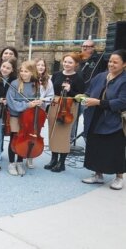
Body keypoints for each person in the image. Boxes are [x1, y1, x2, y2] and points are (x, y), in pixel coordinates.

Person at [81, 49, 126, 190]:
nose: (111, 64)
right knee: (96, 147)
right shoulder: (101, 76)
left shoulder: (124, 81)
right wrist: (84, 97)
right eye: (110, 61)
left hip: (114, 120)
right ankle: (98, 175)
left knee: (115, 149)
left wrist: (98, 102)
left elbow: (122, 102)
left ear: (124, 64)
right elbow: (89, 91)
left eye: (115, 62)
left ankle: (119, 177)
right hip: (95, 117)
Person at [45, 53, 85, 172]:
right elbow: (51, 91)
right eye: (65, 61)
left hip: (69, 106)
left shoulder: (78, 78)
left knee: (63, 134)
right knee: (52, 132)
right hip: (55, 104)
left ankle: (61, 163)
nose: (66, 64)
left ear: (76, 64)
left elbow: (80, 96)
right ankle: (53, 159)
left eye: (70, 62)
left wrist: (70, 90)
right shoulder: (56, 75)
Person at [6, 60, 45, 176]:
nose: (23, 73)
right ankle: (12, 163)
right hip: (15, 116)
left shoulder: (36, 85)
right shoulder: (14, 83)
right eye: (21, 71)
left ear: (32, 73)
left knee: (24, 140)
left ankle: (20, 162)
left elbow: (38, 104)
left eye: (26, 71)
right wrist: (28, 104)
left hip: (28, 118)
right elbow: (11, 102)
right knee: (15, 139)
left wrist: (38, 102)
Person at [70, 40, 108, 143]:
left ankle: (88, 140)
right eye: (84, 46)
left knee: (87, 118)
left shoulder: (98, 59)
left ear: (93, 48)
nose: (85, 48)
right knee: (72, 118)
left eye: (89, 46)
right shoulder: (78, 59)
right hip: (77, 94)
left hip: (89, 95)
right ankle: (69, 140)